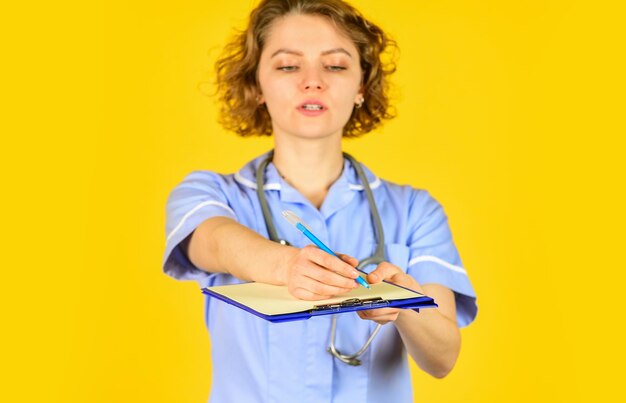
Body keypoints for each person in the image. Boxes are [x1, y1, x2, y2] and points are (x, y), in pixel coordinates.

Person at [163, 0, 477, 402]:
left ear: (361, 85)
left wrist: (402, 305)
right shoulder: (210, 193)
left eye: (335, 65)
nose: (312, 82)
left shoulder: (416, 210)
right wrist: (286, 266)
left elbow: (443, 358)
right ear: (257, 85)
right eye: (288, 66)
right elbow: (215, 241)